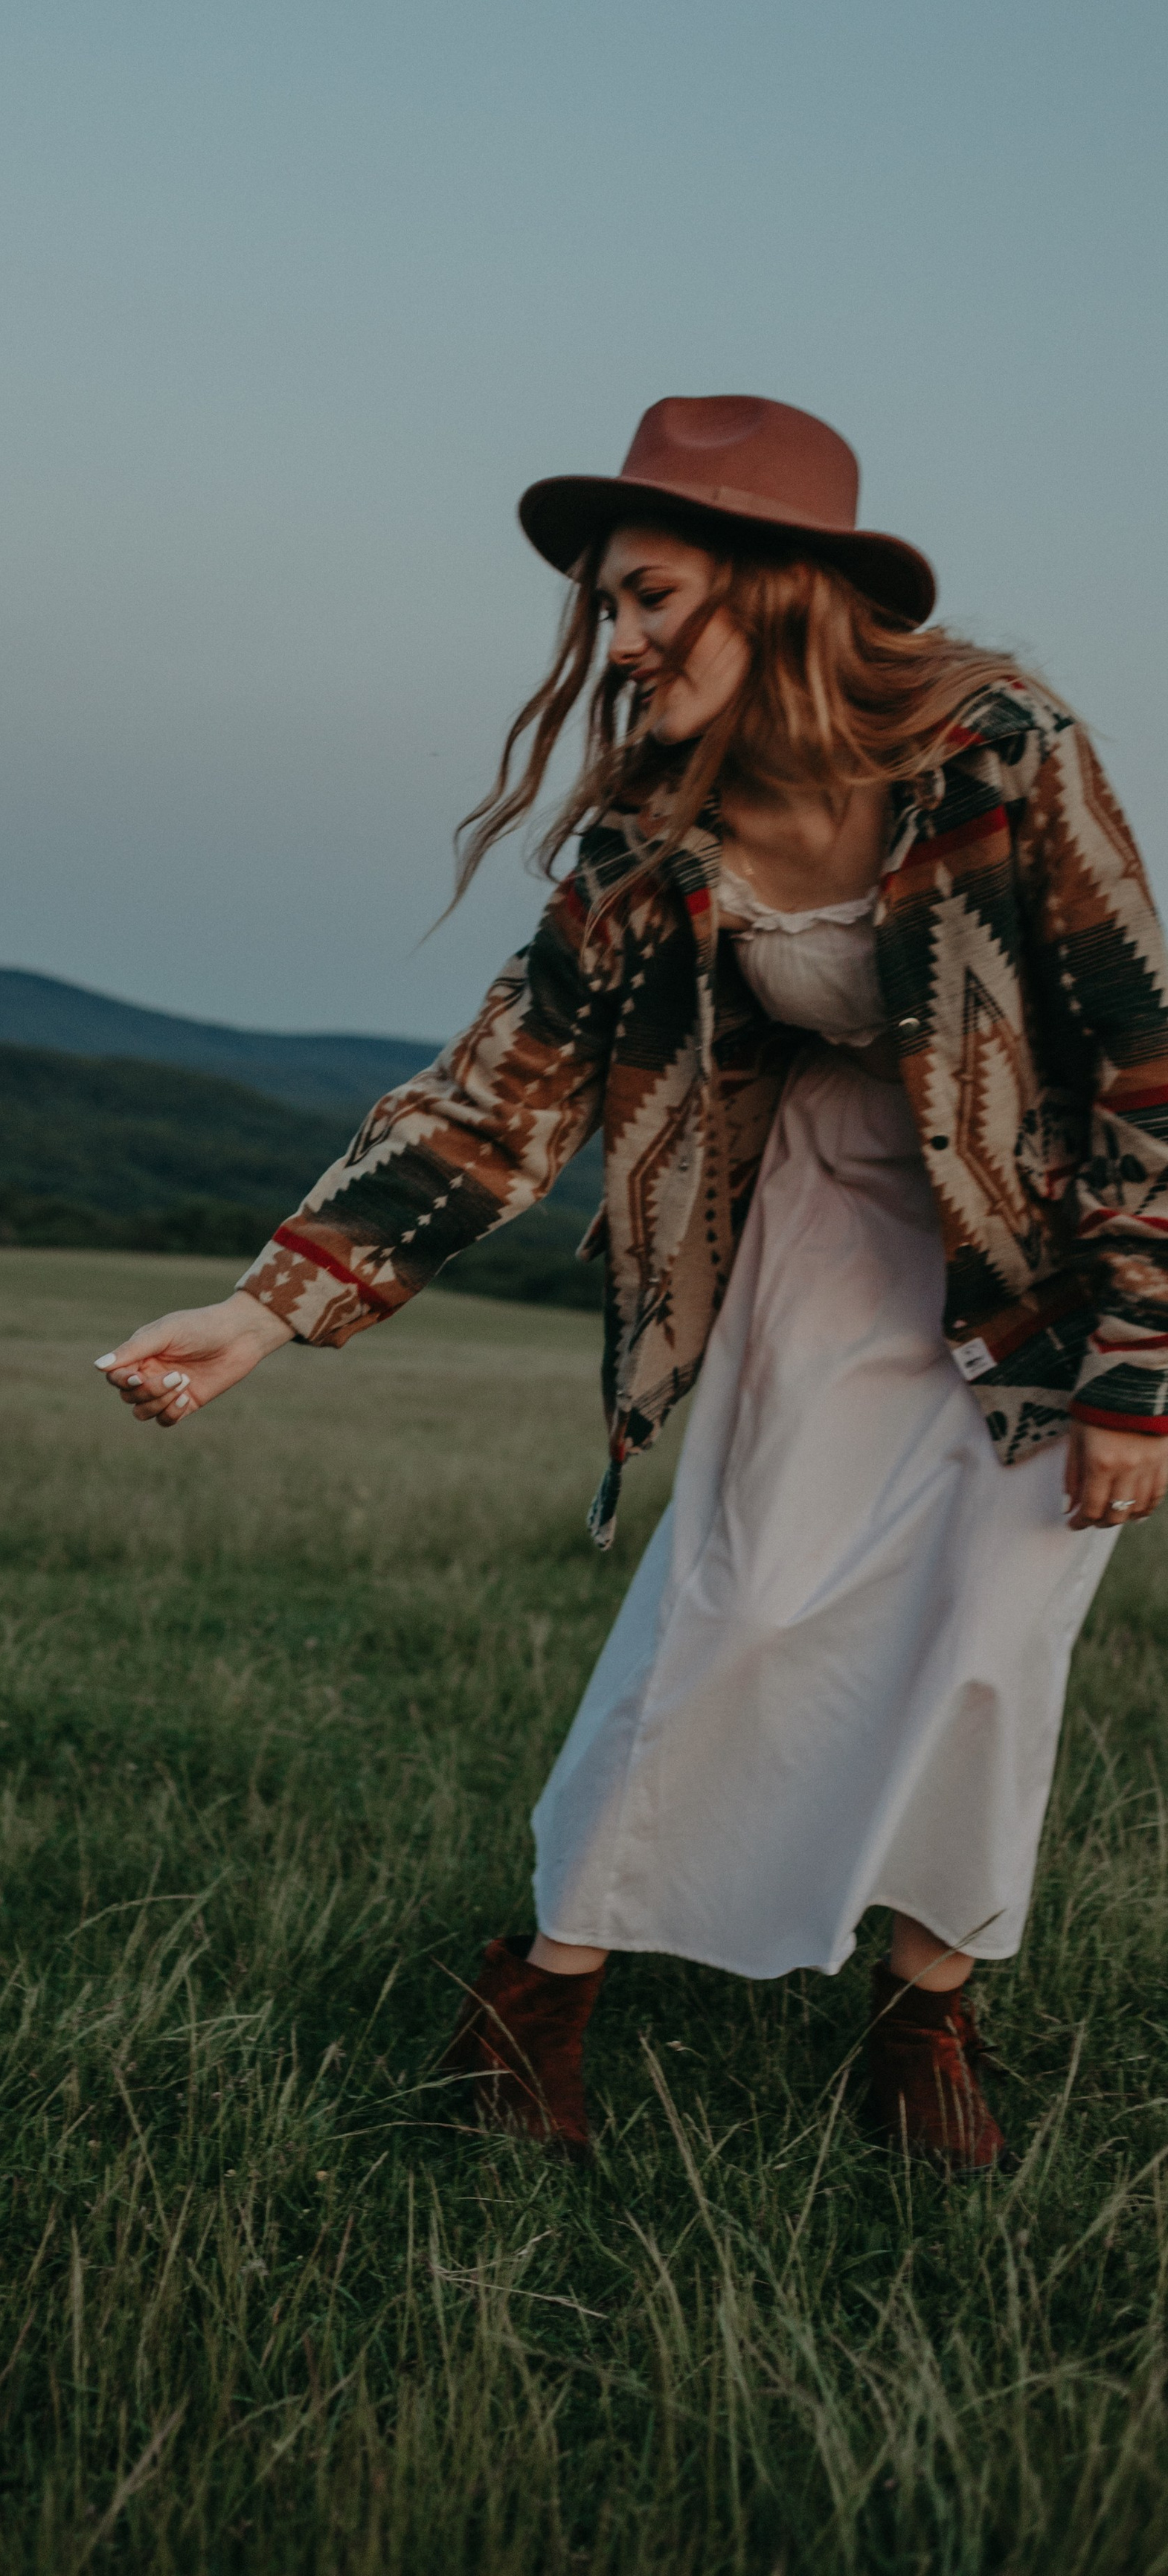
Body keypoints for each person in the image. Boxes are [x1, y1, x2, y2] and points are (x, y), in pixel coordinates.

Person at [94, 394, 1168, 2171]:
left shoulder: (998, 746)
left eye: (647, 594)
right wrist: (263, 1308)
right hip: (821, 1216)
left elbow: (1139, 1057)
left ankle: (921, 2023)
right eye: (604, 605)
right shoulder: (643, 837)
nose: (615, 640)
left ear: (776, 589)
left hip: (1040, 1243)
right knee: (734, 1609)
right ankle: (534, 1992)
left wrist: (1142, 1362)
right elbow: (497, 1094)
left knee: (993, 1644)